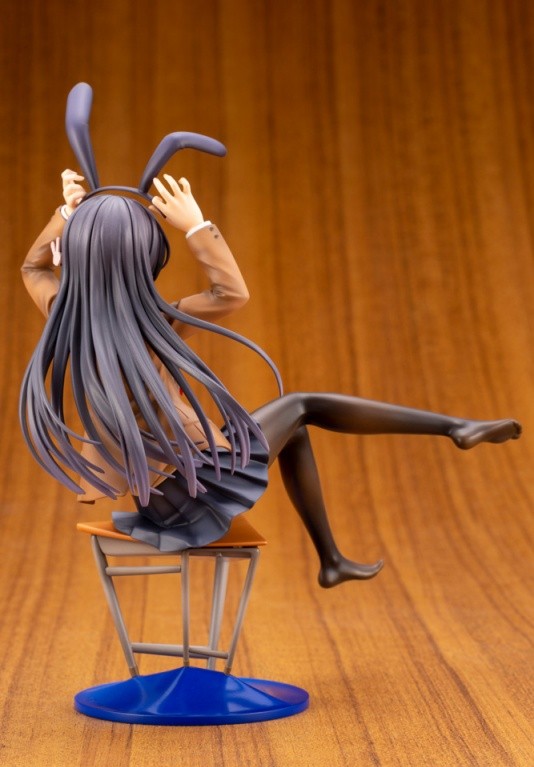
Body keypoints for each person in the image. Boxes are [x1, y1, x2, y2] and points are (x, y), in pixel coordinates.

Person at [20, 170, 521, 588]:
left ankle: (332, 560)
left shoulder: (67, 317)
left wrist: (65, 215)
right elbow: (231, 293)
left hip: (162, 498)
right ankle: (453, 428)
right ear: (145, 257)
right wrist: (196, 226)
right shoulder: (158, 321)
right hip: (195, 490)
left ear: (78, 254)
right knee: (302, 404)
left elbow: (32, 267)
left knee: (295, 429)